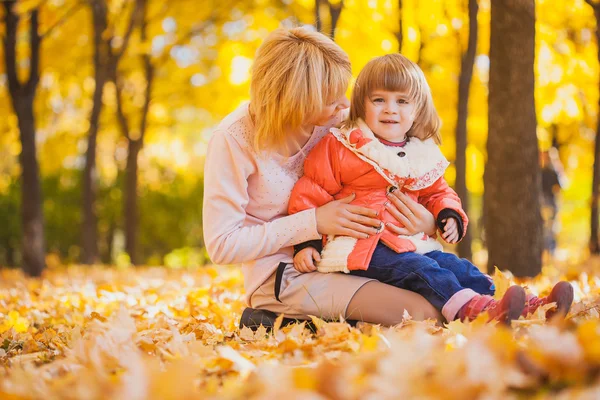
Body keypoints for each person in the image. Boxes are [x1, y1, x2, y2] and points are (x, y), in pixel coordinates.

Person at [288, 54, 573, 323]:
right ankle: (472, 311)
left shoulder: (420, 153)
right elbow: (310, 192)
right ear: (362, 104)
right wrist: (307, 244)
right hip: (365, 247)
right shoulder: (343, 145)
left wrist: (446, 213)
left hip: (412, 242)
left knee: (459, 267)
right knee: (420, 270)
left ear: (417, 109)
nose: (390, 109)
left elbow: (438, 192)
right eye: (379, 100)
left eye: (402, 101)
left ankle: (526, 306)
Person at [203, 27, 444, 327]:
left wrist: (430, 222)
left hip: (352, 258)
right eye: (331, 98)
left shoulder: (337, 124)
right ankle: (277, 317)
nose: (344, 104)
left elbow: (405, 169)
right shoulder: (233, 140)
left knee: (441, 296)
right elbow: (222, 245)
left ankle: (302, 324)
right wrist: (313, 222)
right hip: (283, 274)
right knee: (422, 315)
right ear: (295, 101)